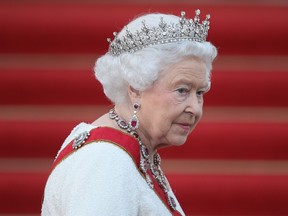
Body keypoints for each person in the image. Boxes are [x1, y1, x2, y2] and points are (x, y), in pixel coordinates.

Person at [41, 9, 217, 216]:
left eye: (200, 92)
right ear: (135, 88)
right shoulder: (105, 160)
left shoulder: (129, 152)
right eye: (182, 90)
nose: (195, 108)